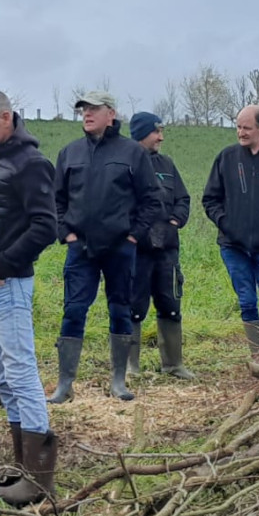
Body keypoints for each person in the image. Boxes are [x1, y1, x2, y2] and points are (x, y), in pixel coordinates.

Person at [0, 89, 59, 507]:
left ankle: (39, 480)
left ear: (6, 118)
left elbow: (44, 227)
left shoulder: (31, 164)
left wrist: (0, 267)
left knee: (20, 373)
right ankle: (22, 466)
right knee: (0, 374)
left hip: (6, 283)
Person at [49, 91, 163, 403]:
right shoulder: (69, 153)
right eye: (83, 109)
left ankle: (118, 380)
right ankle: (65, 384)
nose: (87, 114)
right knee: (73, 310)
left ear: (110, 114)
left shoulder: (131, 153)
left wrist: (133, 235)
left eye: (94, 109)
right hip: (80, 248)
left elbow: (151, 200)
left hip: (120, 247)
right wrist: (65, 233)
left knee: (120, 310)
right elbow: (56, 201)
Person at [201, 105, 259, 361]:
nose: (241, 132)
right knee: (247, 300)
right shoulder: (227, 158)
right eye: (238, 127)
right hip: (233, 246)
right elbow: (210, 199)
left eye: (246, 128)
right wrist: (224, 222)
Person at [125, 112, 195, 380]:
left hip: (167, 248)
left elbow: (184, 198)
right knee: (133, 305)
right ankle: (130, 366)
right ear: (142, 133)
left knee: (170, 303)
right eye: (157, 132)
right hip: (137, 249)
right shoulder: (126, 163)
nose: (161, 137)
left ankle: (173, 364)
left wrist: (176, 221)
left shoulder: (166, 163)